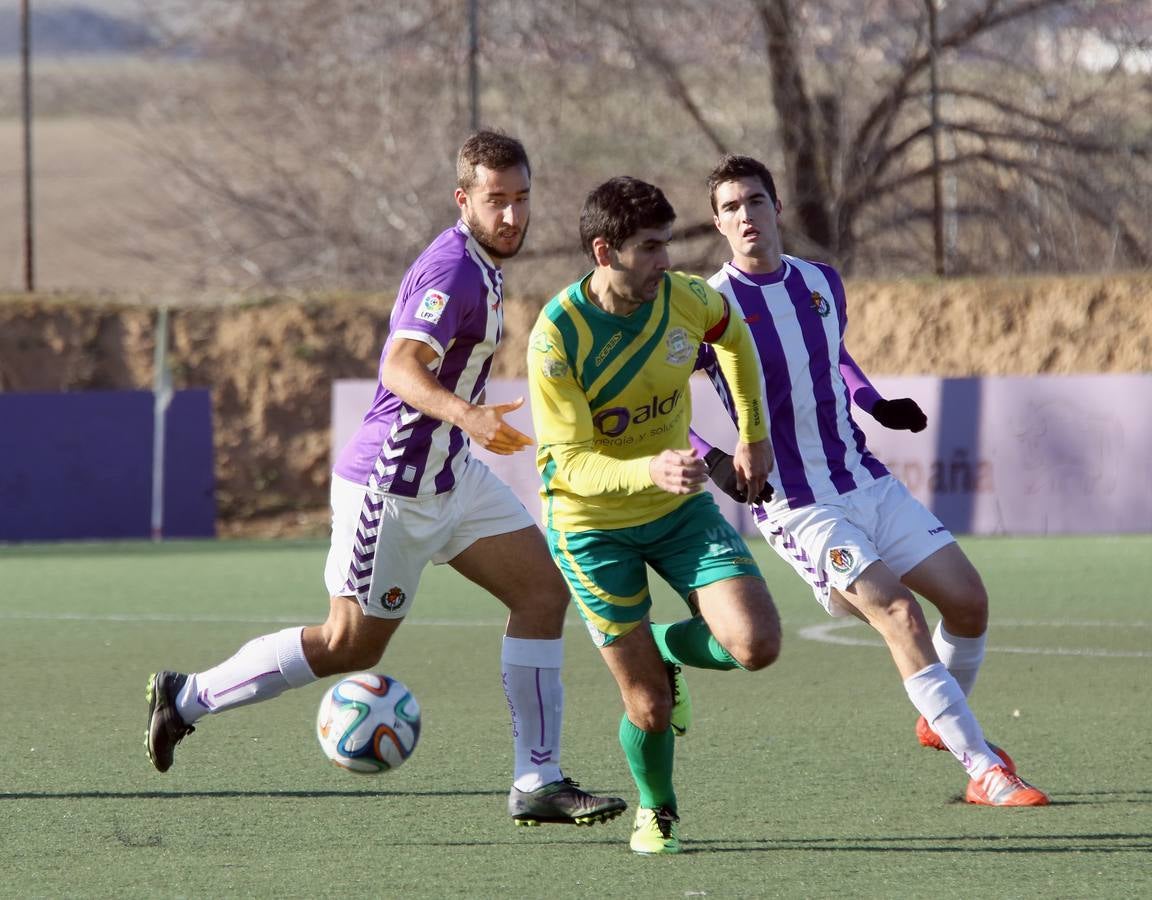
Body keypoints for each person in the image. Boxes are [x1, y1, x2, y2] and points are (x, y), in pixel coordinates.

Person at [145, 130, 626, 828]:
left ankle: (538, 779)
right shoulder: (454, 270)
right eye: (497, 201)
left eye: (522, 199)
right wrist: (467, 416)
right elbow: (399, 368)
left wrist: (464, 433)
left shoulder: (485, 265)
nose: (514, 216)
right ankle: (186, 697)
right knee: (352, 644)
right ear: (465, 200)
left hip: (451, 479)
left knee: (541, 593)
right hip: (392, 489)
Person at [692, 153, 1049, 807]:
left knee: (969, 602)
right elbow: (659, 394)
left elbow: (833, 353)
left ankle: (940, 720)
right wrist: (712, 457)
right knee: (898, 613)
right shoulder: (708, 307)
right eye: (732, 207)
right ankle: (985, 771)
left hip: (866, 478)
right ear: (718, 224)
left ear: (777, 209)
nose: (746, 215)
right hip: (799, 505)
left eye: (756, 201)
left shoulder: (822, 281)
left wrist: (873, 401)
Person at [526, 176, 782, 855]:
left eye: (667, 244)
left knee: (756, 646)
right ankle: (658, 809)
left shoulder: (687, 298)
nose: (665, 261)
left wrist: (752, 434)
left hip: (675, 510)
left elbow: (733, 338)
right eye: (649, 248)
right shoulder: (558, 336)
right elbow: (565, 465)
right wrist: (650, 468)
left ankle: (667, 646)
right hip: (589, 525)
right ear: (604, 251)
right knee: (648, 707)